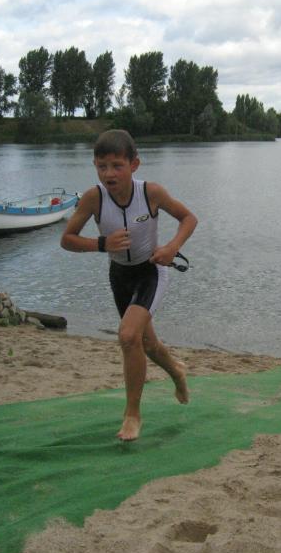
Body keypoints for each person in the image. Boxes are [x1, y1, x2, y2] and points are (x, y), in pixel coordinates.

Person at [60, 129, 198, 441]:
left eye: (117, 166)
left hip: (150, 272)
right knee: (145, 344)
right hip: (119, 275)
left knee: (127, 335)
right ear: (95, 166)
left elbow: (189, 218)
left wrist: (171, 248)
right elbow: (67, 239)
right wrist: (101, 244)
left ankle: (132, 415)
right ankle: (177, 371)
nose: (109, 173)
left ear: (134, 164)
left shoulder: (151, 193)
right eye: (102, 166)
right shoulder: (93, 198)